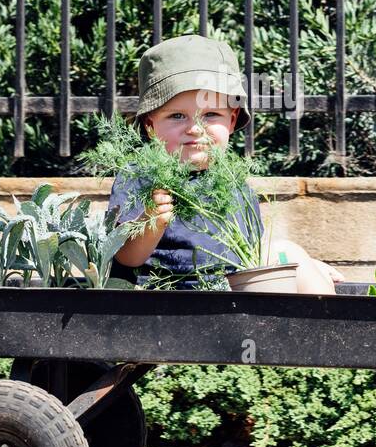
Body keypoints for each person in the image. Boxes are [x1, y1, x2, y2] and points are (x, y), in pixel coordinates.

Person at [108, 34, 344, 293]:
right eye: (177, 116)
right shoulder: (143, 175)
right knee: (286, 252)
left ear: (231, 121)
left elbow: (256, 250)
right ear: (151, 125)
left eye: (210, 115)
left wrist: (304, 265)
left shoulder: (232, 180)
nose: (195, 128)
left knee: (286, 252)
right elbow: (126, 257)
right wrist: (151, 220)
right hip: (163, 302)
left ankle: (325, 328)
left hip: (232, 299)